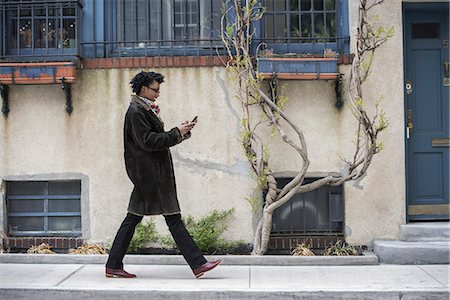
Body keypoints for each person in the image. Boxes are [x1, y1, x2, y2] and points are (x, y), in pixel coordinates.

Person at [105, 71, 222, 279]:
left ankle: (113, 264)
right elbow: (148, 141)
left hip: (151, 175)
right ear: (143, 89)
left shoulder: (143, 108)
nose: (158, 94)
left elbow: (155, 139)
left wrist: (181, 132)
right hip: (150, 176)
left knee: (137, 218)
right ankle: (198, 264)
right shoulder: (136, 111)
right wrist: (177, 131)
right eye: (155, 90)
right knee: (171, 218)